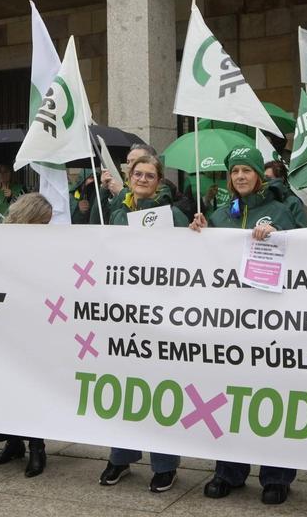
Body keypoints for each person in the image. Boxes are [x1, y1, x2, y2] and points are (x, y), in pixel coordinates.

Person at [190, 146, 298, 506]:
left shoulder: (282, 210)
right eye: (234, 171)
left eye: (246, 170)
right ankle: (229, 472)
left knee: (273, 396)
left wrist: (280, 235)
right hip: (229, 321)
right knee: (229, 395)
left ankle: (277, 477)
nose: (240, 176)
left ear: (258, 174)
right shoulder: (219, 214)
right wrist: (200, 233)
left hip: (273, 318)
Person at [100, 154, 184, 492]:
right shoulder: (117, 214)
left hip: (162, 315)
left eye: (150, 175)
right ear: (129, 177)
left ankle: (165, 465)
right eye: (138, 174)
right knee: (125, 389)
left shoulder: (173, 215)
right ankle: (120, 457)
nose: (143, 179)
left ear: (159, 181)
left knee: (161, 390)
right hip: (125, 314)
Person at [0, 192, 53, 477]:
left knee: (31, 385)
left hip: (34, 323)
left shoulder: (50, 244)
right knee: (4, 384)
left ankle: (37, 447)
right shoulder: (0, 239)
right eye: (43, 221)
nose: (47, 227)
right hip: (5, 320)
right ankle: (13, 443)